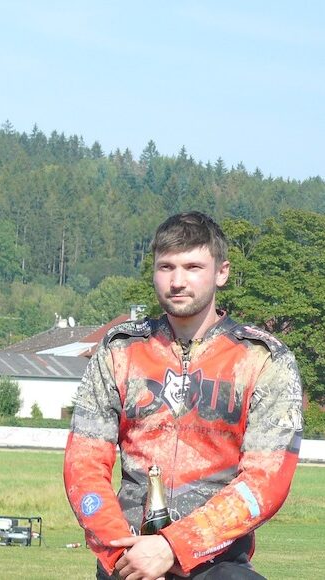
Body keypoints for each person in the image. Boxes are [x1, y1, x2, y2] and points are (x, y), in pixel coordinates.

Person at [64, 212, 303, 580]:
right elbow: (84, 464)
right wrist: (123, 553)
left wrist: (174, 547)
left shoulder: (264, 359)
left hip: (218, 564)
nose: (177, 281)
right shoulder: (119, 350)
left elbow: (266, 480)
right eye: (166, 267)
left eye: (193, 267)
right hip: (127, 559)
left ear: (222, 272)